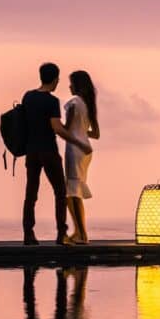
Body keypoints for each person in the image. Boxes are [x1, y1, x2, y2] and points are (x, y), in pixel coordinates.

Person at [22, 62, 90, 245]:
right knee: (60, 192)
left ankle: (28, 234)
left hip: (31, 151)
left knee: (31, 193)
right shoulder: (52, 101)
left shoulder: (28, 97)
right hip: (48, 151)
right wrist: (79, 142)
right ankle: (61, 234)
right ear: (55, 79)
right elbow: (57, 128)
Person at [62, 70, 100, 244]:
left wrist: (51, 125)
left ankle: (80, 233)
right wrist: (82, 132)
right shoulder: (88, 104)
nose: (69, 86)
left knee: (71, 192)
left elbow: (66, 128)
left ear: (77, 86)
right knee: (74, 191)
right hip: (86, 150)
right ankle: (80, 233)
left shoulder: (74, 103)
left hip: (75, 149)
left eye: (71, 83)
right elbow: (96, 134)